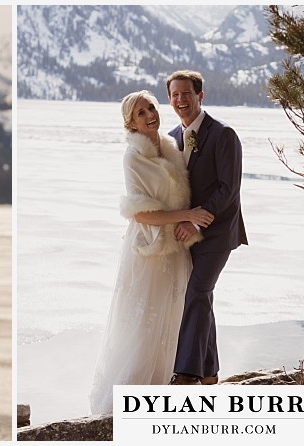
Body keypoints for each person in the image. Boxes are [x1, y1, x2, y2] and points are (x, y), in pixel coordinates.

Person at [88, 90, 214, 413]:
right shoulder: (134, 157)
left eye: (152, 108)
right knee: (144, 321)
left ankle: (160, 395)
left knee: (172, 318)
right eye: (141, 113)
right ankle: (126, 399)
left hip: (175, 249)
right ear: (130, 123)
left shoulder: (171, 147)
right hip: (148, 249)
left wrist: (190, 221)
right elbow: (140, 212)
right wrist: (187, 216)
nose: (150, 115)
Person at [166, 70, 248, 385]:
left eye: (186, 93)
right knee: (204, 297)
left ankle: (186, 373)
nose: (180, 100)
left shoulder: (224, 134)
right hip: (185, 237)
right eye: (174, 95)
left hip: (217, 233)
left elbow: (229, 189)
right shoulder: (172, 137)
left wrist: (195, 219)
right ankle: (210, 372)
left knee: (197, 292)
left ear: (201, 95)